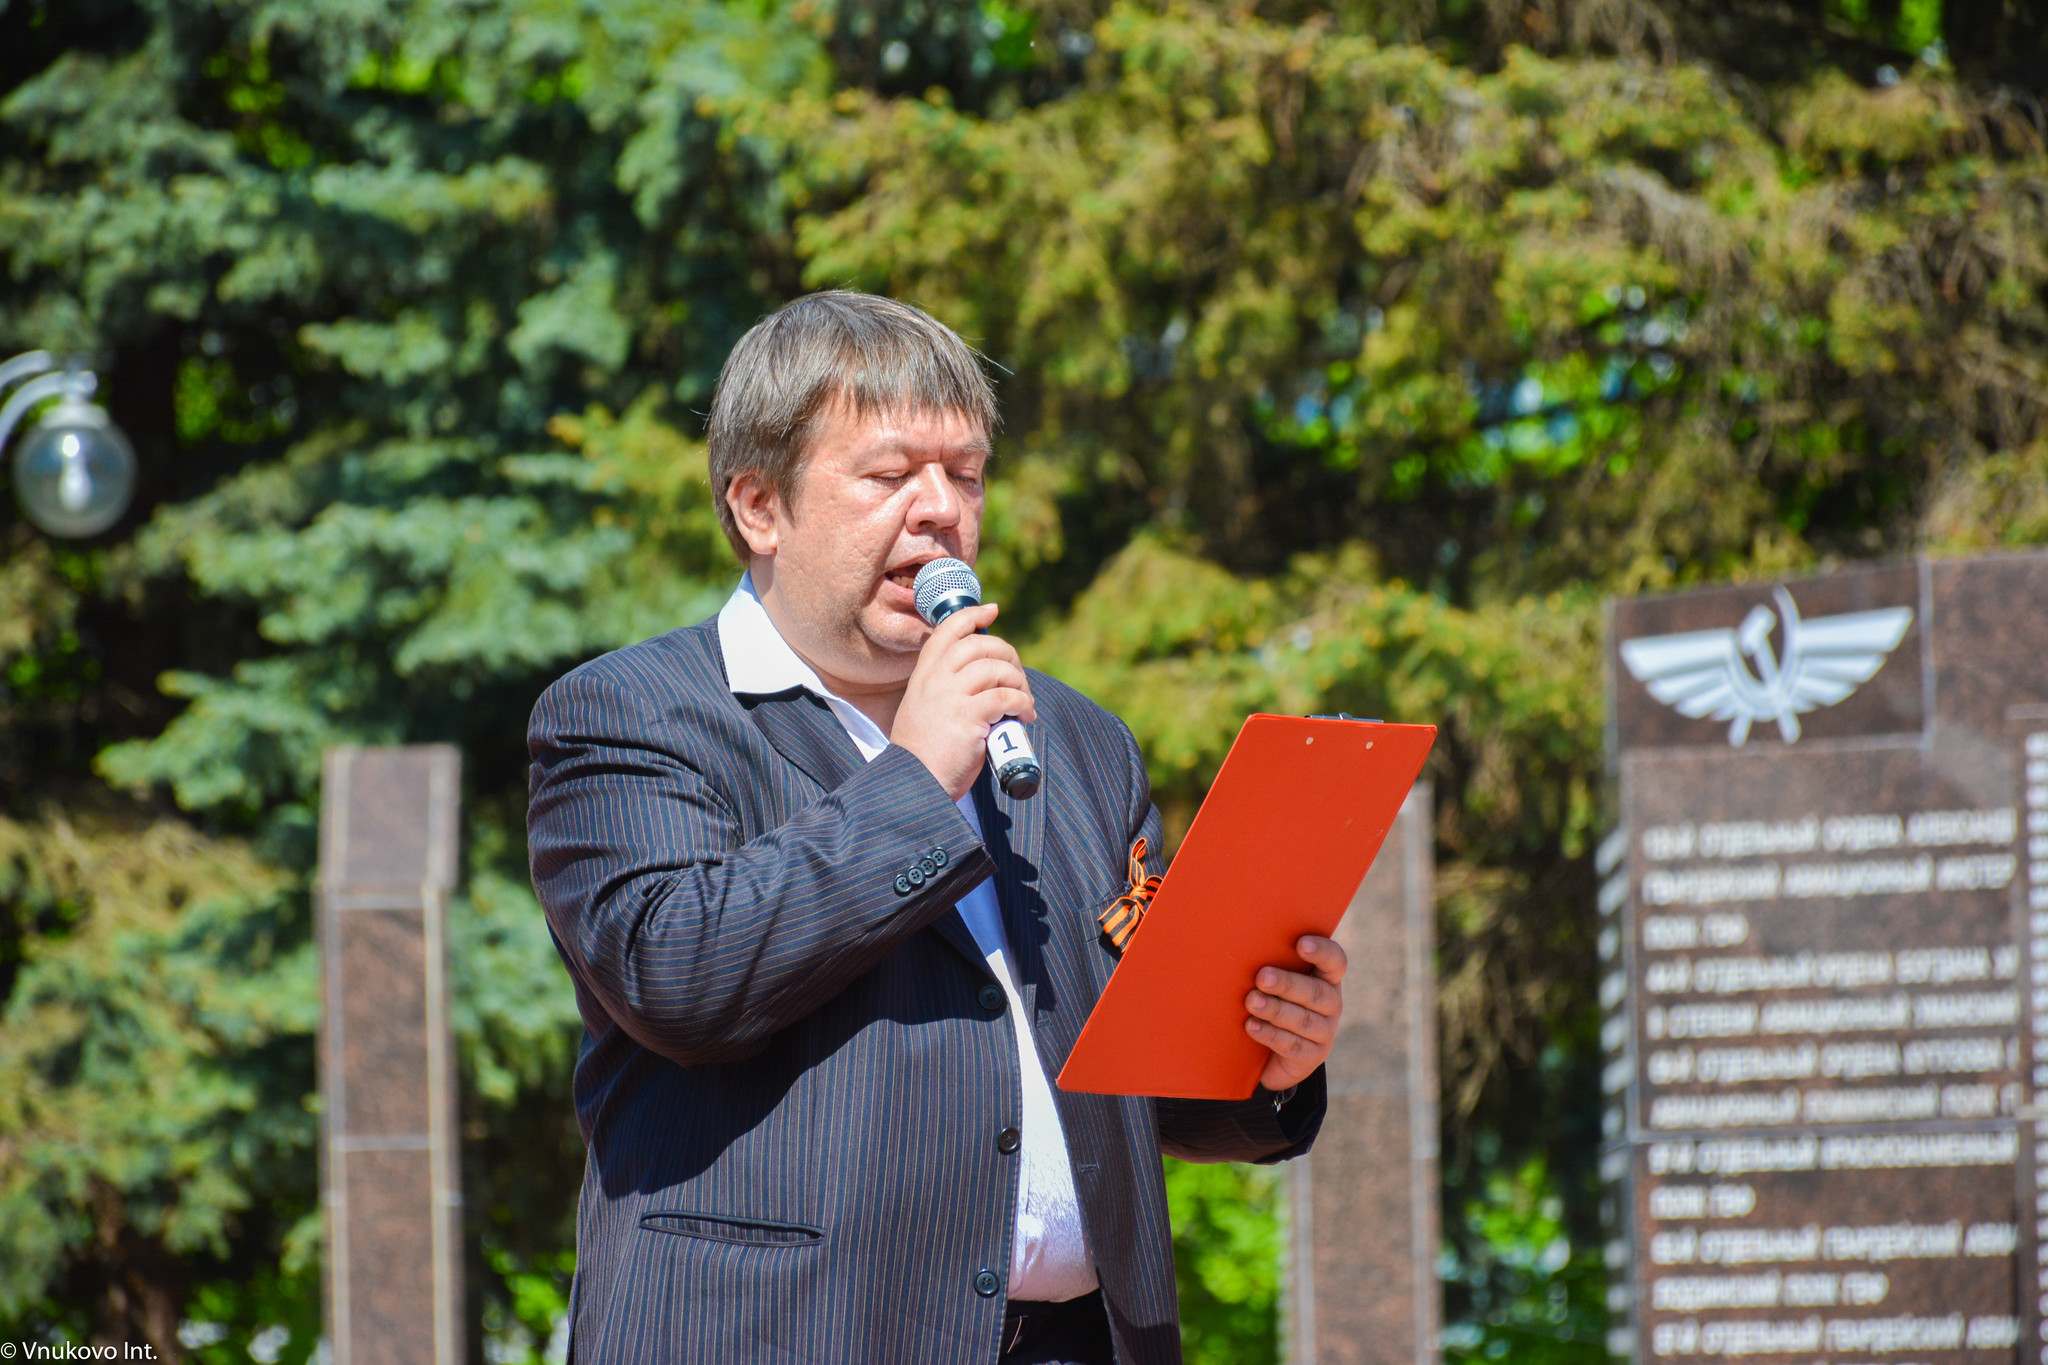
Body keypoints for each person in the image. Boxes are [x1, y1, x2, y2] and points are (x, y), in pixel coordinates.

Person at [527, 291, 1346, 1365]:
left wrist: (1262, 1055)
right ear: (759, 506)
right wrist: (916, 779)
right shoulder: (631, 713)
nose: (940, 510)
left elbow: (1130, 1085)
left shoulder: (1074, 739)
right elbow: (678, 978)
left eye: (966, 474)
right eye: (888, 475)